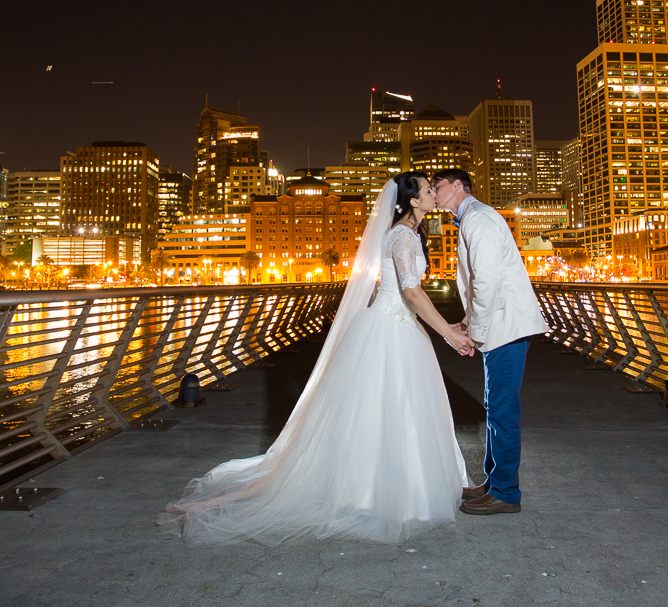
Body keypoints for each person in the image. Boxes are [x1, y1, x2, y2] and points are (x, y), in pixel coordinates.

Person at [159, 172, 478, 545]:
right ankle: (391, 492)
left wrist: (442, 327)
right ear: (412, 200)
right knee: (396, 408)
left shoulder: (405, 234)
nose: (432, 195)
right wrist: (449, 333)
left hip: (396, 327)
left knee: (386, 410)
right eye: (427, 190)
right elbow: (411, 293)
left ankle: (373, 488)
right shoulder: (404, 236)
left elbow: (408, 292)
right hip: (395, 328)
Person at [431, 168, 548, 516]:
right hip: (500, 325)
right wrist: (469, 321)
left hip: (506, 328)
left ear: (456, 187)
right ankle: (495, 482)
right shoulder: (474, 218)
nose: (433, 194)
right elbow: (481, 283)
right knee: (495, 405)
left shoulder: (478, 219)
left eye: (437, 187)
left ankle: (506, 493)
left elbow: (487, 281)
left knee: (503, 410)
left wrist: (475, 334)